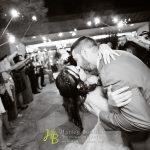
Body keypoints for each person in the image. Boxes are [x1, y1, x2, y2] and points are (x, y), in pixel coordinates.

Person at [71, 36, 150, 149]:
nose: (78, 65)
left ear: (84, 52)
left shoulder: (109, 73)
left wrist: (100, 115)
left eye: (76, 59)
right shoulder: (119, 54)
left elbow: (142, 122)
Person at [56, 66, 130, 149]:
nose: (78, 66)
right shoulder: (91, 97)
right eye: (78, 70)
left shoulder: (84, 88)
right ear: (78, 84)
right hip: (114, 133)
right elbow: (115, 117)